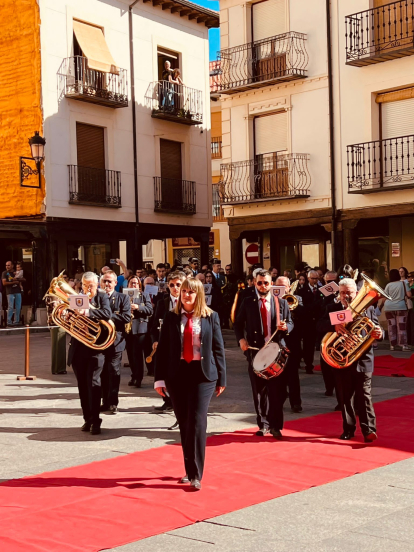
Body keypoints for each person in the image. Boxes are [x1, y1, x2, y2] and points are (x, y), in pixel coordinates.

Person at [155, 278, 226, 491]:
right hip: (177, 374)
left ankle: (196, 474)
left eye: (191, 292)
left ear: (199, 294)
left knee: (197, 421)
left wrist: (222, 378)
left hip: (203, 375)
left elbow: (218, 348)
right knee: (184, 422)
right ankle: (188, 469)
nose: (186, 295)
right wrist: (159, 379)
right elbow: (163, 349)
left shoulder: (210, 316)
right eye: (184, 291)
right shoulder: (171, 317)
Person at [318, 278, 382, 441]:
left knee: (364, 395)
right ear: (339, 294)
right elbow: (319, 325)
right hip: (342, 360)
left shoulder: (368, 308)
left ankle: (369, 430)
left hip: (363, 359)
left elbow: (376, 327)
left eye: (350, 292)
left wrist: (380, 334)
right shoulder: (332, 308)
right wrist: (333, 326)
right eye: (343, 293)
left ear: (357, 293)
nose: (346, 296)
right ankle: (348, 429)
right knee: (345, 397)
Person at [234, 270, 293, 439]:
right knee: (259, 392)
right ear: (254, 283)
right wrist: (241, 340)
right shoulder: (248, 302)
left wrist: (286, 327)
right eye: (259, 283)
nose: (263, 286)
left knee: (277, 392)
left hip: (276, 352)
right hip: (255, 351)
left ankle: (276, 426)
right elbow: (237, 324)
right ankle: (263, 424)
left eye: (266, 283)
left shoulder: (280, 303)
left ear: (271, 284)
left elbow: (291, 323)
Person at [67, 272, 112, 435]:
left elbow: (107, 313)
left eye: (90, 286)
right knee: (82, 387)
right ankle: (87, 419)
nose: (87, 289)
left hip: (95, 348)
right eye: (85, 286)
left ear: (97, 285)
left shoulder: (102, 297)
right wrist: (69, 315)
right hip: (78, 348)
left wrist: (88, 313)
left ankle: (96, 420)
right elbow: (69, 321)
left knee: (93, 383)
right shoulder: (77, 297)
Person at [151, 270, 186, 419]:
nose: (175, 288)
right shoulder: (162, 303)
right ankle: (167, 400)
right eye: (172, 285)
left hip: (184, 344)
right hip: (166, 343)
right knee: (165, 370)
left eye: (178, 285)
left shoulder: (189, 301)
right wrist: (155, 339)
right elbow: (154, 324)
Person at [99, 271, 131, 413]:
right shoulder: (95, 298)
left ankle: (113, 402)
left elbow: (126, 317)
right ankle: (104, 401)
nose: (107, 284)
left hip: (115, 341)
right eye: (104, 281)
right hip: (98, 341)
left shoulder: (123, 297)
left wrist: (105, 315)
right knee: (102, 372)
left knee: (113, 371)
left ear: (115, 283)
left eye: (109, 281)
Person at [275, 276, 304, 412]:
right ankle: (279, 399)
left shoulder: (297, 298)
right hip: (276, 342)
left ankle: (296, 402)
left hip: (292, 341)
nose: (282, 289)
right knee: (278, 373)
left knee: (293, 373)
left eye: (284, 286)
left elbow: (304, 314)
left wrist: (291, 307)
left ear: (289, 287)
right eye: (278, 286)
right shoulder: (271, 300)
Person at [125, 275, 153, 387]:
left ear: (139, 285)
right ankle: (133, 375)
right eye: (131, 283)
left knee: (137, 355)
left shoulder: (144, 295)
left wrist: (138, 307)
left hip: (141, 329)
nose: (133, 285)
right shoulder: (124, 296)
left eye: (135, 283)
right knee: (131, 355)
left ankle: (139, 378)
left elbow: (150, 310)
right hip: (129, 328)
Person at [297, 270, 323, 374]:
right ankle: (309, 365)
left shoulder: (321, 290)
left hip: (319, 321)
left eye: (316, 278)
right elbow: (302, 306)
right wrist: (315, 305)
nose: (315, 281)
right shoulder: (302, 291)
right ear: (308, 279)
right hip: (307, 322)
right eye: (313, 278)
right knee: (308, 345)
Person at [381, 268, 411, 351]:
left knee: (391, 326)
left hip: (388, 307)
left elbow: (384, 298)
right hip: (401, 307)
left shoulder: (388, 285)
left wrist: (380, 307)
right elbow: (409, 294)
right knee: (401, 326)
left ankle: (392, 345)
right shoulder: (404, 283)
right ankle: (403, 345)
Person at [2, 261, 24, 327]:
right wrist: (14, 282)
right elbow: (4, 283)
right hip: (10, 292)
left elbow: (23, 279)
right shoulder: (4, 273)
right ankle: (9, 322)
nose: (7, 267)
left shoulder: (17, 272)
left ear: (12, 266)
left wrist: (18, 280)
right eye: (6, 265)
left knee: (18, 307)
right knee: (10, 307)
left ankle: (16, 321)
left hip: (17, 291)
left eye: (8, 265)